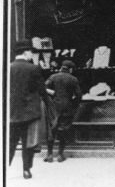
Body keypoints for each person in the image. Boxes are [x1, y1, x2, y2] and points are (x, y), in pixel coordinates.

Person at [9, 39, 47, 179]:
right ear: (26, 52)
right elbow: (41, 90)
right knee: (29, 143)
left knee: (10, 143)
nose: (32, 54)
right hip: (30, 113)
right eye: (31, 51)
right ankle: (26, 170)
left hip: (11, 113)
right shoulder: (34, 68)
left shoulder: (8, 68)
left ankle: (4, 168)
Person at [44, 60, 82, 162]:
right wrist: (73, 104)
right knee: (63, 130)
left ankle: (50, 155)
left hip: (54, 106)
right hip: (67, 107)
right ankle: (60, 155)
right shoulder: (73, 79)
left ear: (61, 67)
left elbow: (43, 88)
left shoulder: (53, 77)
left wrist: (53, 94)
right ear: (70, 69)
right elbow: (79, 96)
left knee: (52, 130)